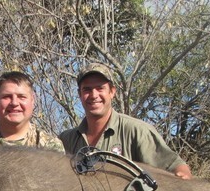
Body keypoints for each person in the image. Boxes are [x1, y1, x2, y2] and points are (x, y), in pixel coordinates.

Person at [59, 63, 192, 179]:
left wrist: (182, 180)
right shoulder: (66, 140)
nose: (94, 95)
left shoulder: (137, 131)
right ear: (79, 95)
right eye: (87, 89)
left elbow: (175, 166)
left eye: (100, 88)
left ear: (112, 91)